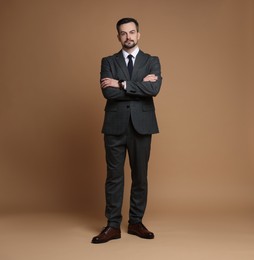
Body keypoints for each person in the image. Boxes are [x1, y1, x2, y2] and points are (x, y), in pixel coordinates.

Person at [91, 17, 162, 244]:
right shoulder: (108, 61)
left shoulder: (152, 61)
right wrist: (140, 85)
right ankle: (113, 226)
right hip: (115, 126)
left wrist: (121, 84)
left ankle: (135, 222)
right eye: (123, 33)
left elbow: (154, 88)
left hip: (142, 126)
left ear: (138, 35)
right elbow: (107, 93)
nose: (128, 37)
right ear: (118, 36)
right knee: (114, 177)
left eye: (132, 32)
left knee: (140, 176)